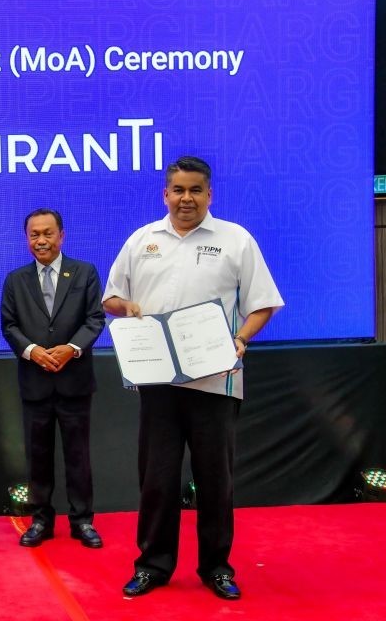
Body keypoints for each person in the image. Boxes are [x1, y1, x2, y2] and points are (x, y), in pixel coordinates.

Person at [103, 156, 283, 601]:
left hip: (215, 383)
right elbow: (111, 298)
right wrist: (127, 307)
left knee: (216, 481)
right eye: (179, 190)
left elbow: (263, 302)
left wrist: (240, 338)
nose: (186, 199)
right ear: (165, 194)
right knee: (157, 480)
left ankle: (216, 567)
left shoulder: (236, 240)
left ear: (209, 194)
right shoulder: (142, 240)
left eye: (195, 190)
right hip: (158, 384)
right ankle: (152, 565)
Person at [0, 208, 105, 549]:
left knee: (78, 456)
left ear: (62, 235)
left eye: (48, 233)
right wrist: (32, 351)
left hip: (75, 380)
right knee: (38, 456)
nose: (41, 240)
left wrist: (71, 349)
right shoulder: (15, 280)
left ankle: (82, 521)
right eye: (34, 234)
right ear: (26, 239)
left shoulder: (85, 272)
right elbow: (9, 325)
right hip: (35, 381)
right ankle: (41, 520)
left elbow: (95, 319)